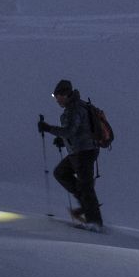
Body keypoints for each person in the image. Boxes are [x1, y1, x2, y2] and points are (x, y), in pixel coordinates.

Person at [37, 79, 102, 227]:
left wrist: (48, 128)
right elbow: (75, 131)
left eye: (57, 96)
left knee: (86, 187)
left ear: (65, 94)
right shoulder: (76, 107)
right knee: (61, 173)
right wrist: (62, 140)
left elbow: (69, 131)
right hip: (80, 151)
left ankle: (95, 224)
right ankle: (87, 209)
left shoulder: (75, 109)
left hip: (84, 152)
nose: (56, 99)